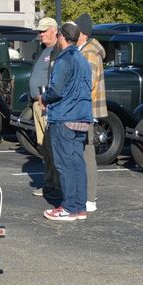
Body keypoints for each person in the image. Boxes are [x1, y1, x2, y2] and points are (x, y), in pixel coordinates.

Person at [39, 21, 92, 221]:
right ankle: (79, 207)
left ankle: (69, 207)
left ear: (61, 37)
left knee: (65, 164)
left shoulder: (65, 60)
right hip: (82, 116)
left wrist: (44, 98)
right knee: (77, 163)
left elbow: (56, 90)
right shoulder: (83, 59)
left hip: (65, 117)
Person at [75, 13, 107, 213]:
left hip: (86, 110)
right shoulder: (84, 50)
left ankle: (89, 198)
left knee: (87, 153)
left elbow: (90, 83)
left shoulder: (89, 53)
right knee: (82, 152)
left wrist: (80, 107)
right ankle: (84, 195)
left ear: (83, 34)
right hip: (83, 109)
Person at [29, 17, 61, 199]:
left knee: (52, 146)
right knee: (44, 147)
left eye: (43, 31)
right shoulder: (44, 50)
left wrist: (47, 99)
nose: (40, 34)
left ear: (53, 30)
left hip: (48, 105)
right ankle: (49, 183)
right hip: (37, 105)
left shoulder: (58, 51)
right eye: (39, 31)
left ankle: (57, 185)